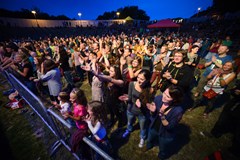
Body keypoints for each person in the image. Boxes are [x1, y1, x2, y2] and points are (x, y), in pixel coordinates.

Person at [145, 85, 184, 160]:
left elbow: (170, 127)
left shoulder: (178, 111)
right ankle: (148, 146)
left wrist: (162, 116)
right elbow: (153, 115)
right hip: (154, 126)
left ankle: (161, 156)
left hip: (165, 134)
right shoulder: (158, 98)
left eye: (168, 97)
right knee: (149, 139)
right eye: (165, 93)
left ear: (175, 99)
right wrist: (152, 111)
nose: (164, 97)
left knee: (163, 148)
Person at [121, 69, 154, 148]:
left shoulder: (150, 90)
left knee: (143, 127)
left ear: (147, 80)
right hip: (130, 109)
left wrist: (142, 104)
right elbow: (130, 97)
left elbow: (149, 104)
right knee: (129, 122)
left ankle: (142, 137)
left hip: (142, 113)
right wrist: (126, 99)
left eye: (142, 79)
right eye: (138, 77)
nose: (139, 80)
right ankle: (128, 130)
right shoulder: (132, 84)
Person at [64, 88, 90, 157]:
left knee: (79, 141)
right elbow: (75, 112)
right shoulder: (76, 105)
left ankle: (87, 152)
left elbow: (78, 118)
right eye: (70, 98)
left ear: (77, 99)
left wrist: (69, 116)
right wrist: (71, 112)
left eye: (72, 98)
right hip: (79, 126)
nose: (70, 100)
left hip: (83, 128)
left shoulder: (81, 108)